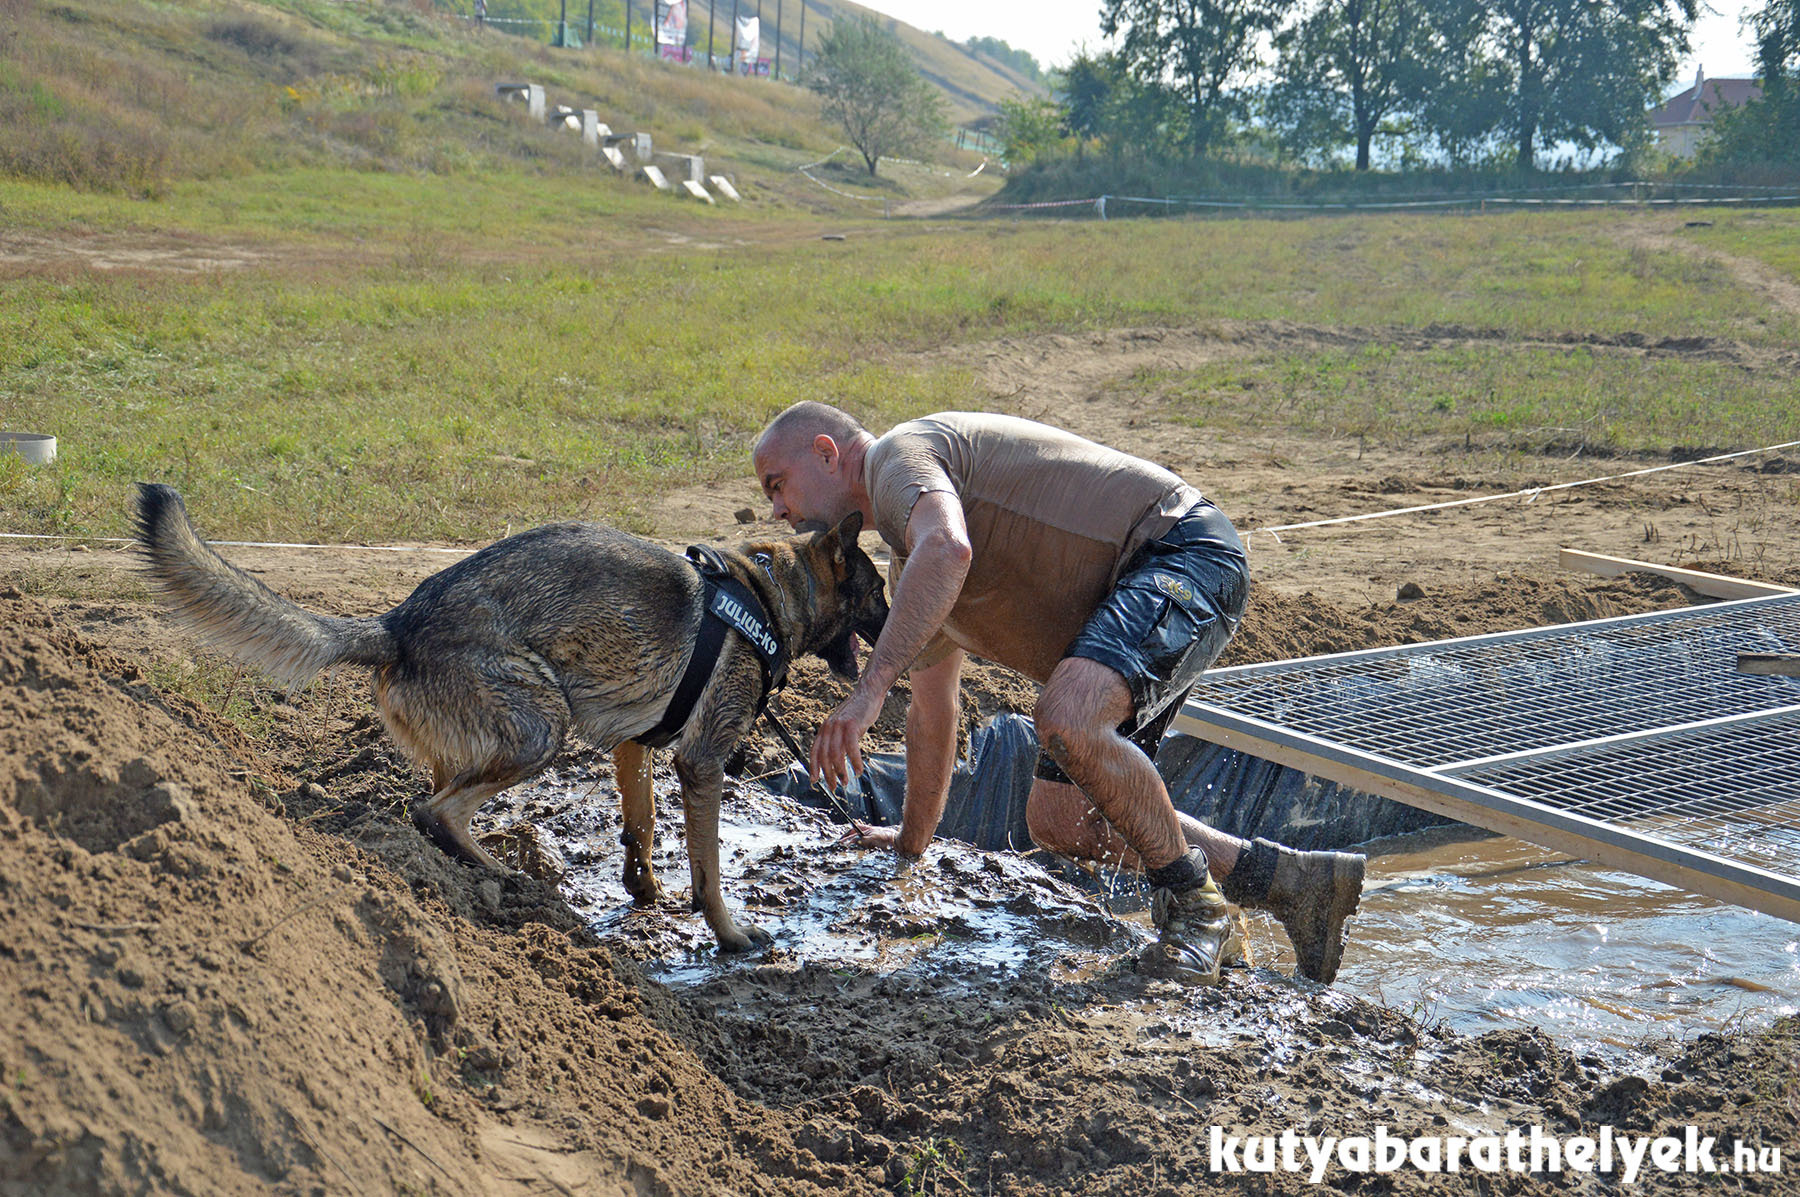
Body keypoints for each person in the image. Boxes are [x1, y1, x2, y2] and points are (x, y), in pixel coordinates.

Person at [751, 403, 1365, 986]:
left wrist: (865, 695)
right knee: (1058, 817)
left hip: (1180, 552)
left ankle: (1199, 912)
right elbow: (934, 710)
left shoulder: (896, 458)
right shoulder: (914, 570)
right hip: (1125, 604)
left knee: (1066, 718)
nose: (777, 510)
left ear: (828, 453)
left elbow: (950, 546)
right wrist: (911, 843)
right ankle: (1289, 881)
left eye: (777, 484)